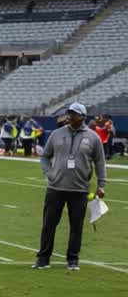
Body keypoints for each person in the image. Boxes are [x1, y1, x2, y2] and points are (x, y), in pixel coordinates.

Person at [35, 103, 106, 271]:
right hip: (56, 187)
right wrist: (49, 174)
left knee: (76, 226)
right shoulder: (56, 134)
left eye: (73, 114)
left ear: (82, 117)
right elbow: (45, 157)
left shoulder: (93, 137)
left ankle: (73, 259)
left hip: (79, 189)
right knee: (49, 224)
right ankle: (43, 259)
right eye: (69, 113)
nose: (69, 116)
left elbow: (100, 162)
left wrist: (101, 184)